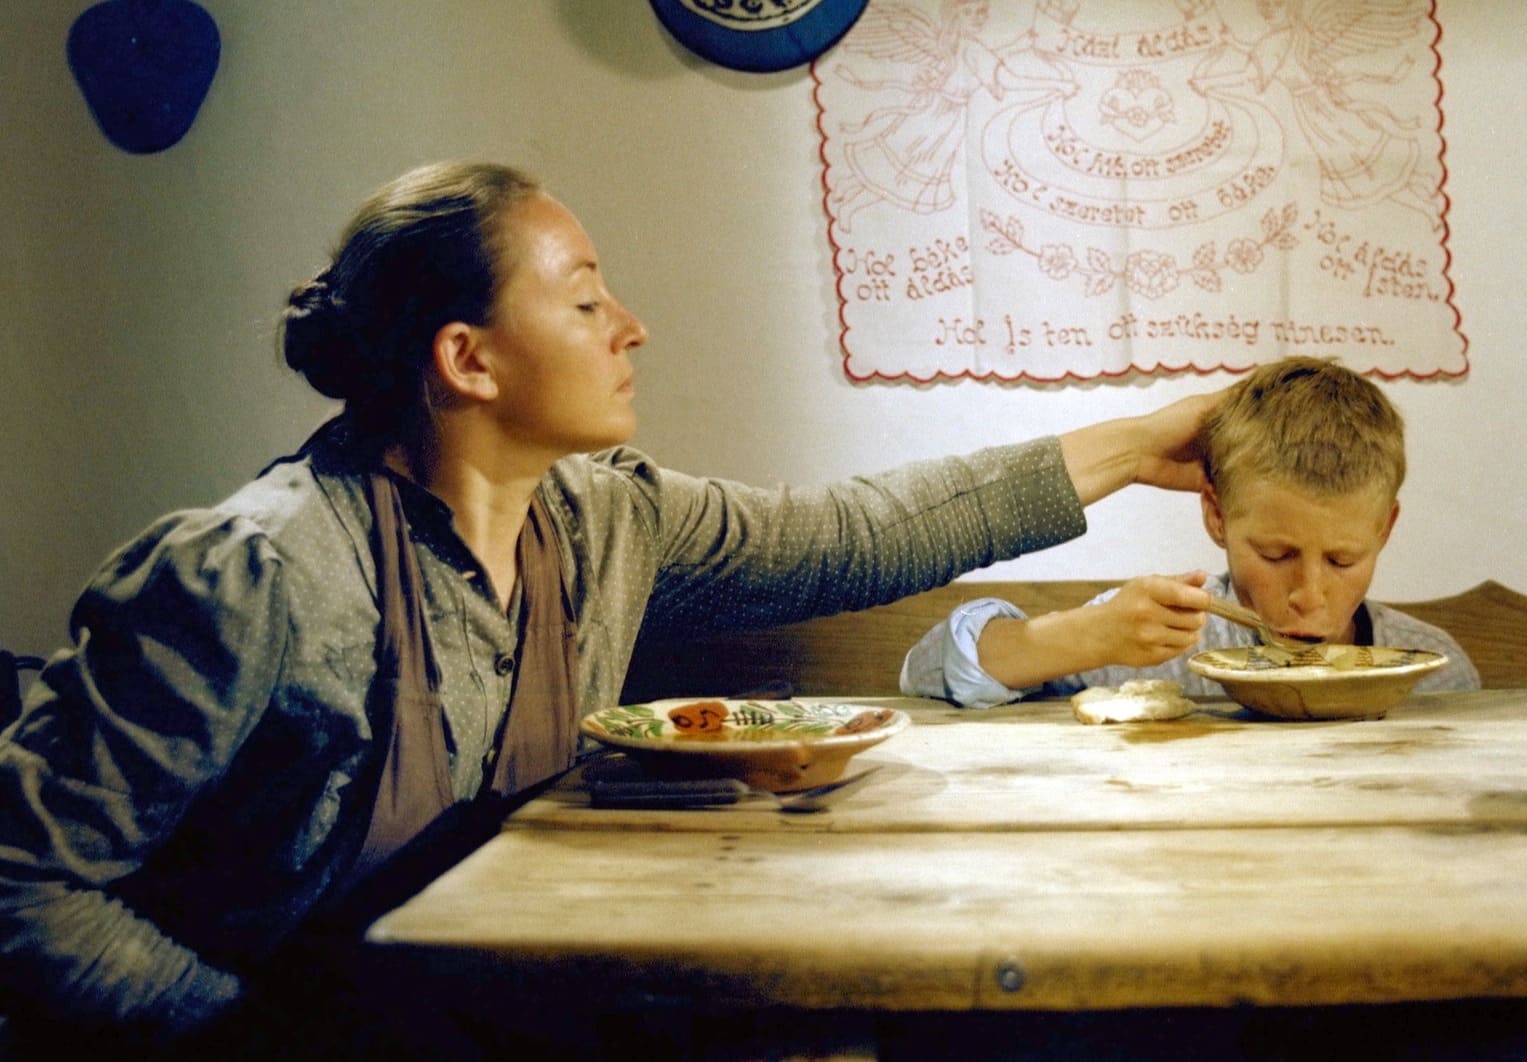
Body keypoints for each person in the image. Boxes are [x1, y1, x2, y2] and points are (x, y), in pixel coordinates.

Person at [0, 160, 1223, 1055]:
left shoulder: (604, 521)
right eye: (585, 302)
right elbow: (22, 887)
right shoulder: (254, 576)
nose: (631, 328)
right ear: (469, 360)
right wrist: (256, 1045)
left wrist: (1136, 444)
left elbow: (851, 535)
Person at [901, 355, 1479, 709]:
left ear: (1384, 530)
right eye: (1275, 554)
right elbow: (922, 671)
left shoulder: (1434, 676)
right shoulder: (1153, 644)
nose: (1309, 595)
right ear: (1217, 516)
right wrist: (1088, 636)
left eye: (1342, 560)